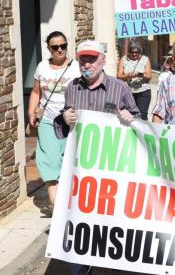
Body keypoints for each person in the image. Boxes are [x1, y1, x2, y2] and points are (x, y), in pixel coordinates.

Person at [53, 39, 140, 275]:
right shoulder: (72, 88)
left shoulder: (119, 89)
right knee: (79, 224)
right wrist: (64, 118)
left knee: (109, 226)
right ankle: (80, 267)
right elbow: (62, 127)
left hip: (112, 171)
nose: (87, 64)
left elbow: (139, 125)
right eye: (83, 59)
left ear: (103, 60)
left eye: (92, 59)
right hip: (80, 171)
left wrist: (130, 119)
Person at [27, 31, 81, 209]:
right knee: (49, 158)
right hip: (49, 119)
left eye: (63, 46)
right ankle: (56, 203)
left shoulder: (77, 67)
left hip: (72, 121)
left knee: (69, 159)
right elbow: (36, 91)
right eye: (55, 47)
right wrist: (31, 112)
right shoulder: (42, 67)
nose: (60, 50)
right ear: (48, 48)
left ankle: (70, 200)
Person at [116, 41, 152, 120]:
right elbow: (118, 76)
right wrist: (127, 76)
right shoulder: (124, 59)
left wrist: (141, 75)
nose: (134, 54)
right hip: (128, 92)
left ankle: (142, 131)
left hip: (143, 91)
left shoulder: (145, 59)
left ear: (140, 52)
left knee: (142, 115)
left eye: (137, 52)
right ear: (129, 52)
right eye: (132, 52)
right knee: (129, 114)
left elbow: (149, 76)